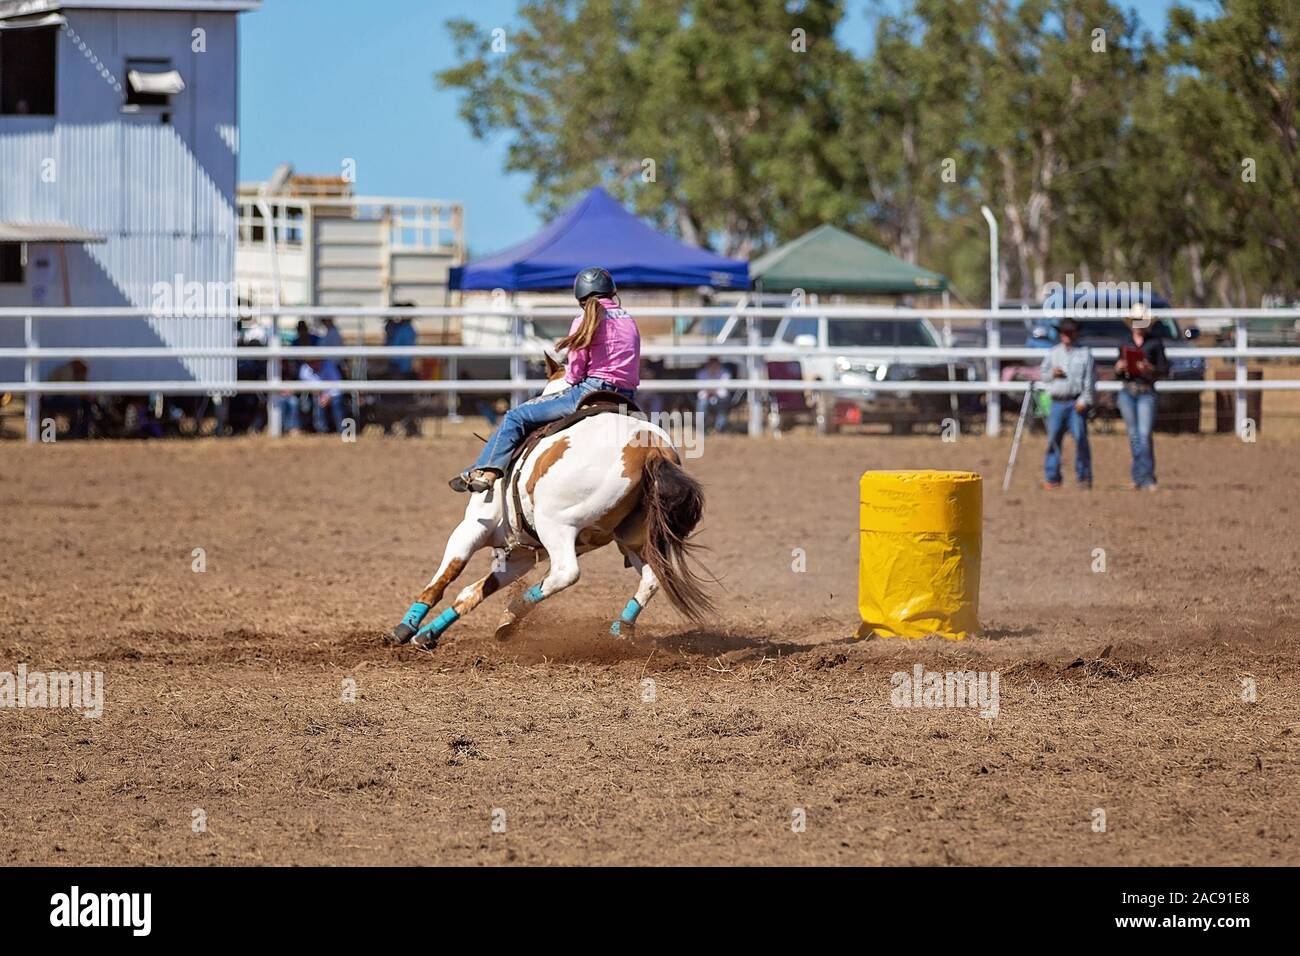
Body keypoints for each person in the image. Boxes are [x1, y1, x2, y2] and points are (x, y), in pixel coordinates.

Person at [450, 267, 639, 493]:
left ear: (580, 298)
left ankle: (486, 471)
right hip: (626, 396)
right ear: (612, 292)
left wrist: (572, 377)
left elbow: (576, 373)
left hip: (592, 390)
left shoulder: (584, 320)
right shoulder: (628, 319)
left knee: (516, 417)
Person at [1115, 303, 1170, 491]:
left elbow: (1164, 370)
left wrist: (1150, 369)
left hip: (1146, 390)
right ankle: (1139, 476)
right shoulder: (1124, 343)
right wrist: (1119, 368)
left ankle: (1147, 476)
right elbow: (1118, 374)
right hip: (1128, 390)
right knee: (1134, 436)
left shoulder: (1155, 344)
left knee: (1144, 434)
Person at [1039, 318, 1095, 489]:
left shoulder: (1085, 354)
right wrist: (1052, 373)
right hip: (1057, 401)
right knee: (1053, 439)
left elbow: (1090, 381)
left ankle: (1084, 477)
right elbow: (1042, 374)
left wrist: (1085, 400)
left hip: (1075, 401)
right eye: (1064, 332)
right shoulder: (1053, 353)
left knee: (1080, 439)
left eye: (1070, 332)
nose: (1067, 336)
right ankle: (1052, 476)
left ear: (1076, 333)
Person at [695, 356, 732, 434]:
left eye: (715, 364)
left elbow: (724, 392)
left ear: (719, 364)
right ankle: (702, 429)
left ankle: (719, 429)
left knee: (722, 404)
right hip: (706, 399)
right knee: (702, 404)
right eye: (711, 364)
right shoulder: (702, 373)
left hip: (720, 399)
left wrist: (710, 390)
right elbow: (701, 393)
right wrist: (715, 390)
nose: (713, 366)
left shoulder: (725, 373)